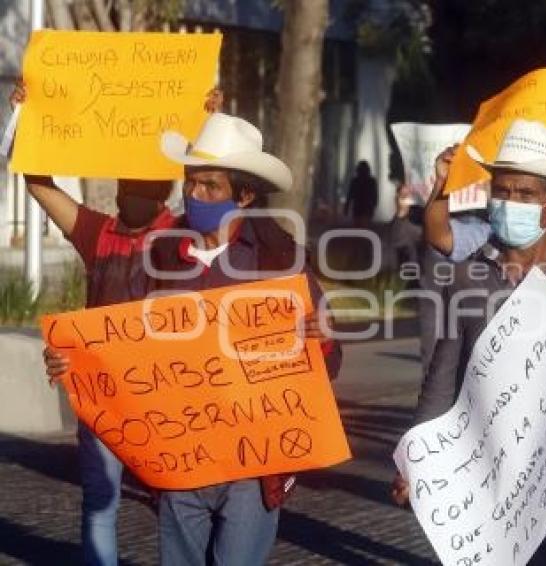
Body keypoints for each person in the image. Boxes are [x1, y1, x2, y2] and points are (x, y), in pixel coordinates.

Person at [392, 119, 546, 564]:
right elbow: (442, 378)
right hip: (493, 475)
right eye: (501, 192)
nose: (509, 203)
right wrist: (416, 460)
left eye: (525, 194)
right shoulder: (467, 277)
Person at [16, 82, 221, 566]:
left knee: (179, 504)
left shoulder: (182, 234)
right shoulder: (95, 231)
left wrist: (210, 121)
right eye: (129, 184)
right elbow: (39, 183)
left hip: (168, 396)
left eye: (146, 186)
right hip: (102, 396)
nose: (135, 193)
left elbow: (216, 188)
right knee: (101, 504)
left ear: (166, 190)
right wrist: (28, 121)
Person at [149, 111, 341, 565]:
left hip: (254, 466)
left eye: (210, 186)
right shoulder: (160, 256)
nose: (195, 195)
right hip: (183, 455)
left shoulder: (283, 261)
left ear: (245, 194)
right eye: (191, 182)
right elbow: (124, 340)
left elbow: (328, 366)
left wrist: (322, 340)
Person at [344, 160, 378, 226]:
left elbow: (350, 195)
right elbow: (375, 195)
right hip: (366, 208)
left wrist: (346, 207)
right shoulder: (371, 181)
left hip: (359, 208)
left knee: (358, 226)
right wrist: (373, 206)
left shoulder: (355, 181)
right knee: (364, 227)